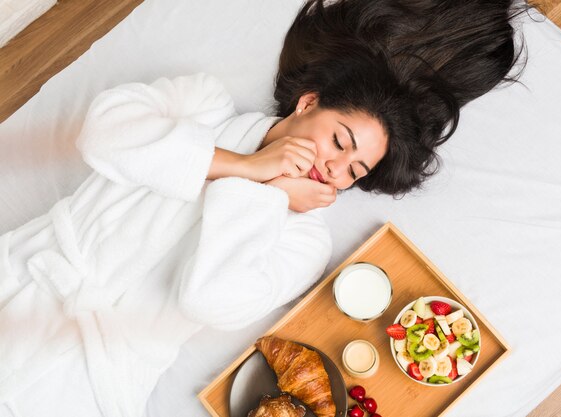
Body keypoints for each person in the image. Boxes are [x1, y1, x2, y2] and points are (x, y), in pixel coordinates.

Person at [0, 1, 525, 416]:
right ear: (309, 103)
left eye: (355, 172)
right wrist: (245, 166)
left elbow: (209, 301)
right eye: (339, 142)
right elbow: (102, 135)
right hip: (24, 281)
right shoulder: (202, 104)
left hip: (97, 377)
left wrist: (267, 190)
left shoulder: (304, 240)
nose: (335, 171)